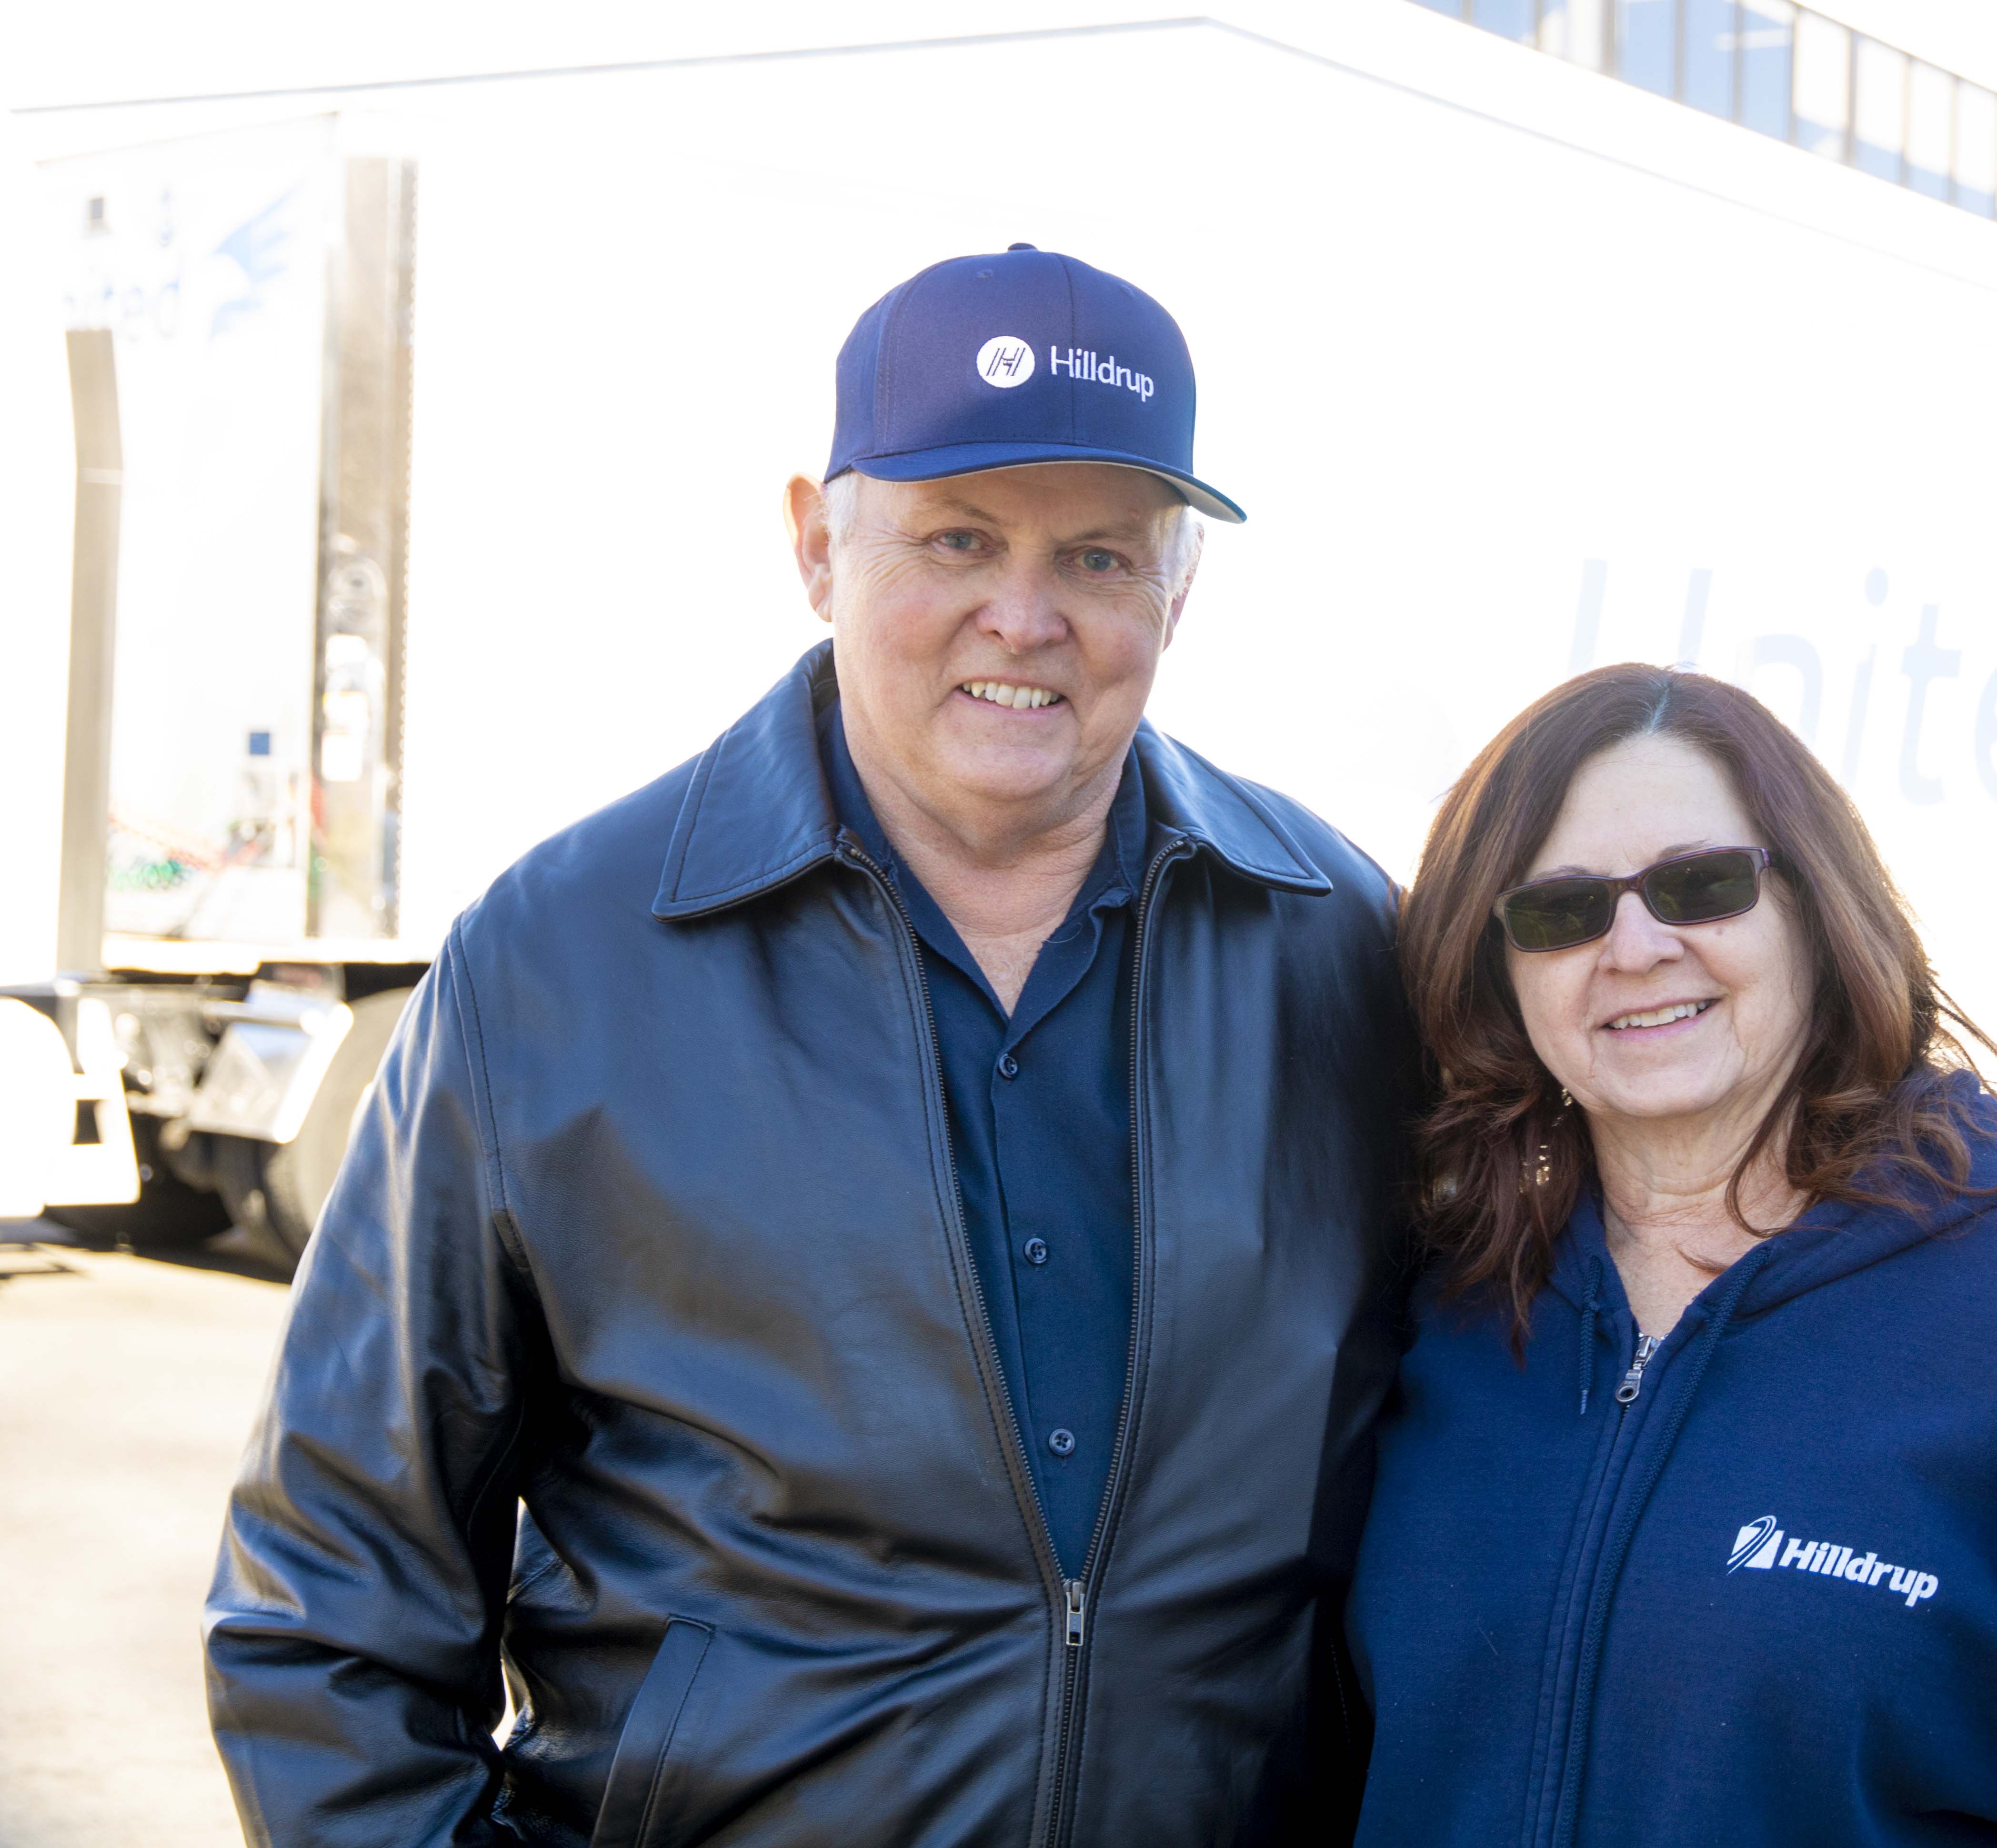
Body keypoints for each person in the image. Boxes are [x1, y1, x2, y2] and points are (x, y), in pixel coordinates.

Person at [204, 246, 1413, 1847]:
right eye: (956, 536)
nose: (1024, 614)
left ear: (1178, 590)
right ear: (814, 546)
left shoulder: (1344, 951)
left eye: (1101, 557)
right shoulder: (562, 964)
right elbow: (330, 1609)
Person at [1345, 664, 1997, 1846]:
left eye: (1699, 885)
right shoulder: (1449, 1307)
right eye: (1560, 910)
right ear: (1496, 969)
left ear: (1816, 913)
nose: (1635, 945)